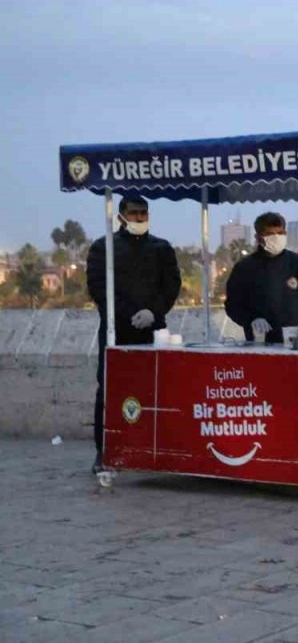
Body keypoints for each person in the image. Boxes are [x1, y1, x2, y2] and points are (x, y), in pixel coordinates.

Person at [86, 195, 182, 473]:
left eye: (144, 213)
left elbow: (172, 284)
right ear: (121, 216)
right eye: (134, 213)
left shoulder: (161, 248)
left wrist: (154, 311)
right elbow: (99, 288)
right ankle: (103, 451)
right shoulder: (103, 248)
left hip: (153, 331)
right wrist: (129, 314)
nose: (140, 218)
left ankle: (153, 450)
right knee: (109, 390)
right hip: (117, 332)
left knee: (155, 390)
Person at [225, 212, 298, 344]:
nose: (276, 237)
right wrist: (250, 319)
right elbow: (233, 305)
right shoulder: (244, 268)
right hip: (260, 343)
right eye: (270, 234)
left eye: (280, 233)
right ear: (258, 237)